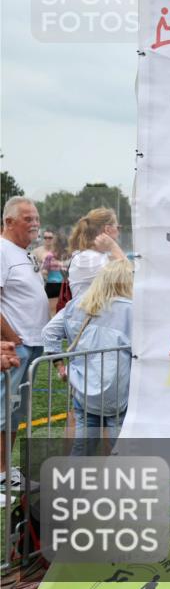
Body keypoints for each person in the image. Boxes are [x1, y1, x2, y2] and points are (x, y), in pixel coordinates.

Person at [42, 259, 133, 457]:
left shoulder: (78, 304)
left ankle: (73, 485)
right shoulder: (130, 309)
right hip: (119, 390)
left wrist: (60, 366)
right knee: (121, 449)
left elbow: (49, 332)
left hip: (84, 387)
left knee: (83, 448)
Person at [0, 197, 48, 491]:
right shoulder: (2, 250)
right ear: (9, 222)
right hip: (15, 349)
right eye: (28, 219)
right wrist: (12, 338)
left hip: (31, 345)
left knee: (14, 412)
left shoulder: (22, 252)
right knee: (3, 410)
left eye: (36, 218)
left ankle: (6, 470)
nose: (35, 224)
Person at [67, 207, 127, 298]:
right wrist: (113, 246)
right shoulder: (88, 257)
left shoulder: (94, 256)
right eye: (118, 227)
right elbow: (129, 278)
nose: (119, 231)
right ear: (107, 229)